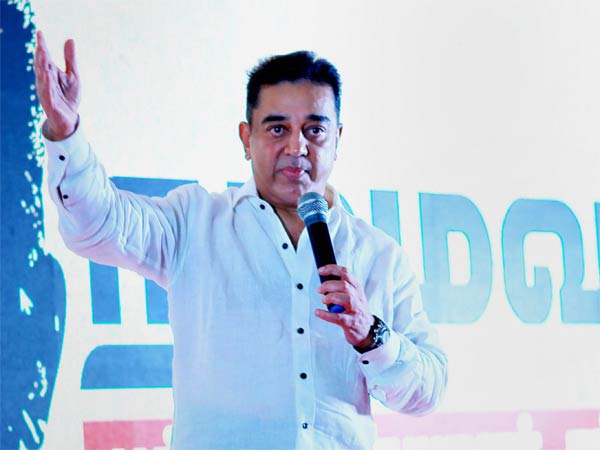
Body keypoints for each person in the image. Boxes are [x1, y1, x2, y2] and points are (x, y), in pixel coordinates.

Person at [34, 30, 447, 449]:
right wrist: (66, 134)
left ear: (338, 138)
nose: (297, 146)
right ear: (247, 139)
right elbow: (99, 224)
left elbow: (428, 391)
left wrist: (371, 334)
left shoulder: (379, 255)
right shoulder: (195, 223)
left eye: (314, 130)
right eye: (277, 128)